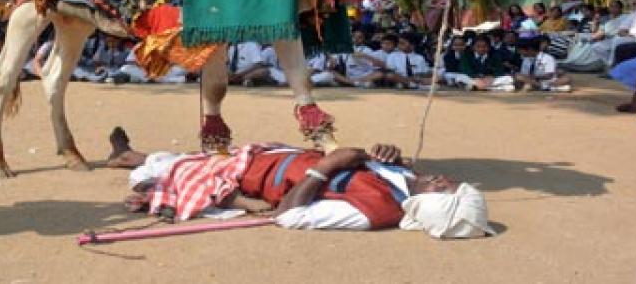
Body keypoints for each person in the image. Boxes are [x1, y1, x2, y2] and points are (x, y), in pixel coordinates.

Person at [106, 128, 494, 237]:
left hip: (254, 176)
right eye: (451, 181)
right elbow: (373, 164)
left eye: (445, 188)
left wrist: (326, 167)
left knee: (176, 169)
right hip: (272, 157)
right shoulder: (404, 177)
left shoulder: (371, 213)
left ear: (433, 205)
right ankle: (129, 157)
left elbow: (289, 217)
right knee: (184, 160)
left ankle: (129, 160)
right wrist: (386, 152)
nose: (445, 179)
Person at [445, 37, 515, 91]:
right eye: (478, 46)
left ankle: (477, 87)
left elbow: (499, 69)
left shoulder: (495, 55)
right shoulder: (466, 55)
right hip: (474, 79)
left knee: (508, 79)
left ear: (488, 47)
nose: (481, 49)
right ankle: (490, 88)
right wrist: (475, 77)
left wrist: (492, 77)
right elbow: (465, 69)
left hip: (488, 79)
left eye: (484, 46)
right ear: (473, 47)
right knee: (459, 77)